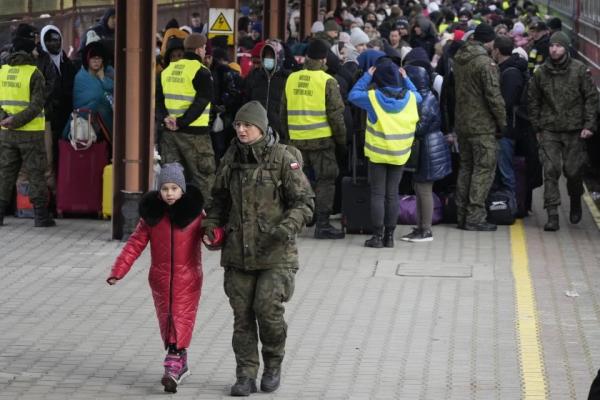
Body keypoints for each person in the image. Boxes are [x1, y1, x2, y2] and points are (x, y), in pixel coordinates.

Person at [202, 101, 314, 396]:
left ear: (261, 128)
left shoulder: (282, 159)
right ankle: (245, 375)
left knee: (267, 311)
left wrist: (287, 227)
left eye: (246, 125)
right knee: (242, 317)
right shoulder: (231, 158)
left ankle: (273, 364)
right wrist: (211, 227)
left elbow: (304, 202)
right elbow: (218, 201)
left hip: (276, 254)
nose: (240, 130)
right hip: (238, 253)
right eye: (237, 125)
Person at [107, 163, 208, 394]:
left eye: (174, 188)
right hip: (160, 280)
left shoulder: (194, 215)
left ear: (182, 189)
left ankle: (174, 360)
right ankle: (178, 359)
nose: (169, 193)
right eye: (165, 189)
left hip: (188, 278)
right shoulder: (151, 217)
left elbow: (212, 236)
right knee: (168, 318)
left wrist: (215, 236)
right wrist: (118, 271)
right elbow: (134, 245)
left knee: (181, 317)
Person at [527, 31, 599, 231]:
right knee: (550, 171)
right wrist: (537, 127)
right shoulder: (541, 72)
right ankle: (552, 214)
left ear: (565, 48)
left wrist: (589, 125)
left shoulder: (579, 70)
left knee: (573, 172)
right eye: (551, 46)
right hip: (549, 129)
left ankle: (575, 199)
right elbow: (533, 100)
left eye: (558, 46)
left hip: (574, 130)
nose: (553, 49)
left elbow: (591, 99)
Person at [349, 59, 422, 247]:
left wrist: (367, 76)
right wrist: (406, 79)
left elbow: (353, 95)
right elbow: (418, 94)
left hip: (378, 155)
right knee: (392, 194)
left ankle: (377, 237)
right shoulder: (411, 99)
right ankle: (390, 237)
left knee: (378, 194)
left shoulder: (372, 98)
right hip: (399, 155)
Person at [280, 39, 347, 239]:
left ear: (307, 57)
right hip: (322, 143)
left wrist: (288, 136)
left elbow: (282, 112)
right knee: (325, 181)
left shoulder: (292, 78)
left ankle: (298, 222)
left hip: (296, 142)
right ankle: (323, 224)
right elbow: (336, 116)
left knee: (298, 182)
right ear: (324, 59)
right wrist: (342, 141)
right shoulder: (327, 81)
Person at [453, 23, 506, 231]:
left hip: (463, 123)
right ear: (489, 40)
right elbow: (494, 97)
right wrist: (502, 122)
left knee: (466, 167)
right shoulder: (485, 63)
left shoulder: (459, 58)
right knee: (483, 170)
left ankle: (461, 214)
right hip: (482, 126)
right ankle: (475, 217)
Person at [0, 34, 55, 227]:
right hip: (30, 133)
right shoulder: (35, 73)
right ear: (27, 50)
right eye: (33, 48)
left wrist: (5, 119)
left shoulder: (3, 71)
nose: (36, 51)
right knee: (36, 173)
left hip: (6, 133)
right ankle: (41, 216)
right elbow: (37, 105)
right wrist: (17, 120)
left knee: (5, 173)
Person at [155, 33, 215, 203]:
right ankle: (205, 224)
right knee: (204, 181)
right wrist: (182, 122)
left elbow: (159, 100)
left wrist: (165, 118)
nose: (204, 52)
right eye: (204, 48)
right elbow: (202, 101)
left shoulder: (167, 71)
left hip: (169, 135)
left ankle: (173, 221)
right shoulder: (201, 71)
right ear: (198, 49)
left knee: (172, 182)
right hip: (196, 136)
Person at [401, 63, 451, 242]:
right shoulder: (423, 97)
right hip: (426, 149)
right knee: (419, 187)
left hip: (428, 150)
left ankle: (426, 230)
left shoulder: (425, 99)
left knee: (424, 189)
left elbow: (420, 128)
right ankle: (420, 227)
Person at [491, 35, 528, 201]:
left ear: (497, 51)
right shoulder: (507, 69)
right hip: (505, 128)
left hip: (507, 130)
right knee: (503, 168)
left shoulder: (510, 73)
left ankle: (510, 204)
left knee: (506, 169)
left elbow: (506, 102)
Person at [40, 25, 76, 175]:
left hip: (65, 119)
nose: (54, 44)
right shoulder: (40, 64)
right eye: (49, 41)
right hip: (47, 119)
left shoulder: (67, 63)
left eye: (57, 40)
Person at [244, 40, 290, 141]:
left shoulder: (287, 79)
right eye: (266, 56)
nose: (268, 59)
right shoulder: (254, 77)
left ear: (279, 57)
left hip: (279, 135)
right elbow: (245, 102)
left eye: (271, 56)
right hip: (256, 133)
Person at [70, 42, 114, 138]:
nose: (96, 61)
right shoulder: (81, 77)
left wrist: (102, 78)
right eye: (93, 58)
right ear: (87, 59)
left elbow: (112, 91)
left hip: (104, 126)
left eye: (99, 58)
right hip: (85, 125)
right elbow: (80, 102)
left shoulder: (108, 74)